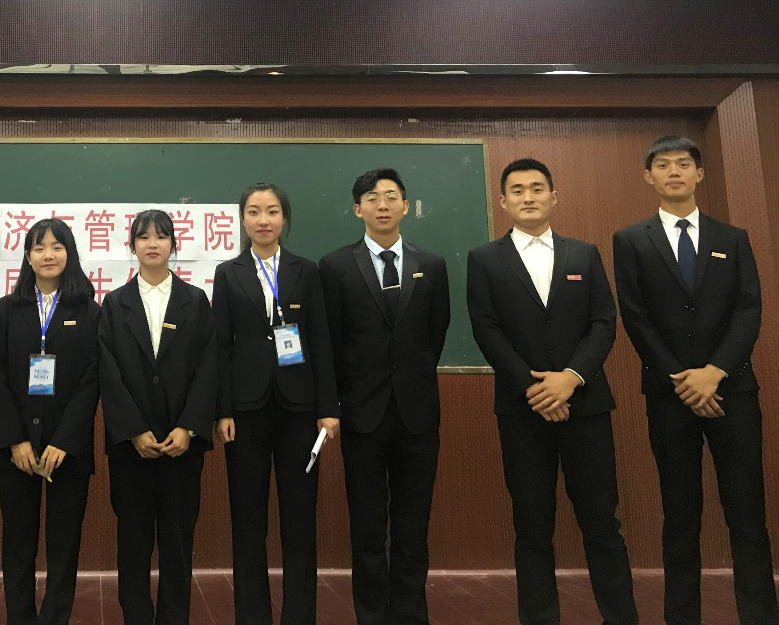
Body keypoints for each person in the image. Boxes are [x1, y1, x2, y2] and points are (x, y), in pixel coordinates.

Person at [612, 135, 779, 625]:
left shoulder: (733, 238)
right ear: (648, 177)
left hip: (733, 392)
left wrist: (715, 372)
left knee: (747, 513)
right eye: (663, 165)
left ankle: (760, 615)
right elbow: (635, 317)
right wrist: (683, 382)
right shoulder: (630, 240)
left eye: (683, 164)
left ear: (699, 173)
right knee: (680, 514)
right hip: (670, 396)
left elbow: (749, 309)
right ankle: (681, 617)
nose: (674, 172)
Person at [467, 158, 637, 625]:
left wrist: (570, 378)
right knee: (532, 526)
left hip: (586, 405)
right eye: (518, 190)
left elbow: (603, 322)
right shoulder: (484, 259)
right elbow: (486, 329)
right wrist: (534, 388)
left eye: (537, 188)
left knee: (602, 523)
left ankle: (621, 617)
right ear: (503, 201)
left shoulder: (584, 253)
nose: (528, 197)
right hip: (522, 411)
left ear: (553, 196)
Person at [318, 168, 450, 625]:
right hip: (362, 413)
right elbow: (331, 343)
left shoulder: (432, 264)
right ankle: (372, 615)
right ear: (358, 209)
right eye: (372, 198)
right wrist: (336, 403)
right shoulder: (335, 266)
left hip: (418, 413)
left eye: (391, 196)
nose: (382, 204)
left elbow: (436, 333)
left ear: (405, 206)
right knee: (368, 526)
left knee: (414, 526)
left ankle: (411, 615)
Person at [212, 182, 340, 625]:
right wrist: (222, 410)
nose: (263, 220)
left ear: (284, 218)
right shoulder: (228, 272)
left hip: (301, 410)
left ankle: (299, 615)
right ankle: (252, 616)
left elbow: (321, 340)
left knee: (299, 518)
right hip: (245, 410)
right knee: (248, 520)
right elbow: (220, 345)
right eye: (253, 211)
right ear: (242, 219)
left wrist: (329, 408)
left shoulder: (307, 271)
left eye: (271, 211)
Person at [98, 210, 218, 625]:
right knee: (132, 543)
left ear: (173, 244)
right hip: (131, 449)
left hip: (182, 446)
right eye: (144, 236)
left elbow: (208, 367)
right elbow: (108, 373)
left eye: (162, 236)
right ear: (132, 246)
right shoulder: (114, 303)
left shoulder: (195, 300)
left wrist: (188, 427)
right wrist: (133, 431)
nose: (153, 243)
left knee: (178, 544)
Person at [0, 218, 101, 625]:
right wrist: (14, 440)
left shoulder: (89, 311)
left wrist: (64, 441)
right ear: (27, 256)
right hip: (17, 448)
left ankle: (54, 618)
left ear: (69, 253)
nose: (48, 255)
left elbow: (91, 381)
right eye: (39, 247)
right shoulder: (5, 309)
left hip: (67, 449)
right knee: (17, 542)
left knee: (63, 544)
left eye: (56, 246)